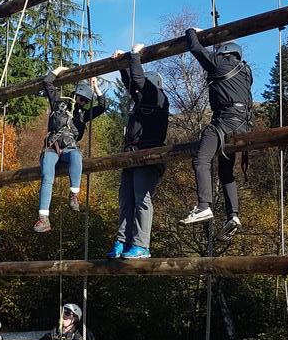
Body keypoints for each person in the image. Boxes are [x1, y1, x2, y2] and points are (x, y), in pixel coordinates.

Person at [180, 29, 253, 239]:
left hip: (224, 121)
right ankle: (233, 215)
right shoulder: (246, 71)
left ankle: (204, 206)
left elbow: (194, 47)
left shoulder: (220, 62)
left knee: (201, 159)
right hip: (243, 125)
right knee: (225, 172)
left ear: (224, 53)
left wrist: (192, 31)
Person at [107, 45, 170, 259]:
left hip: (148, 155)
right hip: (131, 155)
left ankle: (142, 245)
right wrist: (122, 65)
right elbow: (132, 84)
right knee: (126, 199)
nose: (137, 91)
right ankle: (122, 241)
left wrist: (134, 55)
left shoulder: (158, 97)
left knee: (142, 199)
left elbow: (139, 82)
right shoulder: (144, 101)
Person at [34, 68, 106, 233]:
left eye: (85, 102)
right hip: (52, 147)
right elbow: (47, 83)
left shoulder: (82, 115)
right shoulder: (58, 104)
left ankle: (74, 195)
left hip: (69, 148)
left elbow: (102, 106)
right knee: (47, 177)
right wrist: (57, 70)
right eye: (81, 99)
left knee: (76, 156)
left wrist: (95, 87)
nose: (82, 103)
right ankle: (43, 218)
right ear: (75, 95)